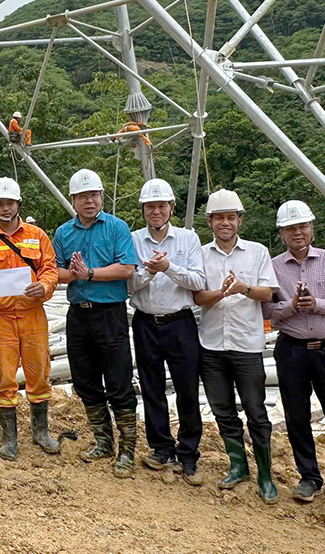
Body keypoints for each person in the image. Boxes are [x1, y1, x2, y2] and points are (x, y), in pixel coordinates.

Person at [263, 200, 325, 507]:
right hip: (292, 350)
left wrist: (318, 304)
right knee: (297, 416)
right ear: (281, 233)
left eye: (302, 226)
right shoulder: (274, 267)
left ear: (311, 228)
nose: (297, 233)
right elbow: (267, 310)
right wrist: (291, 306)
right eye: (290, 228)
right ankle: (309, 477)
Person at [193, 189, 278, 502]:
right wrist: (220, 294)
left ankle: (266, 475)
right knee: (223, 410)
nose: (225, 223)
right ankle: (238, 465)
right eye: (219, 217)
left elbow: (270, 293)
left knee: (256, 411)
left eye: (231, 217)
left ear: (240, 220)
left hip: (246, 344)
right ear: (210, 221)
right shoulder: (201, 254)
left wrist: (243, 288)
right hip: (212, 345)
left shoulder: (256, 252)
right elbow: (197, 297)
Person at [54, 168, 138, 477]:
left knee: (118, 381)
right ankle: (103, 440)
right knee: (85, 380)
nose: (90, 201)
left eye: (94, 195)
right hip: (79, 314)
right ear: (73, 200)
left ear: (101, 197)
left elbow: (127, 268)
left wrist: (89, 273)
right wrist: (74, 274)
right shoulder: (63, 233)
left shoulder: (117, 228)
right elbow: (57, 273)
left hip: (110, 313)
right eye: (83, 196)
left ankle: (127, 448)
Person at [0, 176, 60, 461]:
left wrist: (44, 287)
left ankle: (41, 432)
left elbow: (50, 269)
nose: (5, 208)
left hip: (33, 315)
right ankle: (10, 439)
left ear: (18, 203)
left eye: (9, 202)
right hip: (1, 319)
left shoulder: (37, 235)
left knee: (39, 374)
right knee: (4, 376)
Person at [127, 178, 206, 484]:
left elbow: (198, 281)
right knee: (151, 387)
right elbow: (128, 284)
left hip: (180, 322)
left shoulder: (188, 239)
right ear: (144, 210)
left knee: (187, 388)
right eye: (150, 207)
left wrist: (169, 268)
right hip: (146, 321)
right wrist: (148, 271)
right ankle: (161, 447)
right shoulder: (133, 240)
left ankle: (188, 453)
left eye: (161, 206)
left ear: (171, 208)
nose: (156, 211)